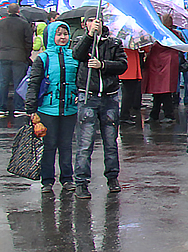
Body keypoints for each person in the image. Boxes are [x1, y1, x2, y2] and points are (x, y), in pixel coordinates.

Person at [71, 16, 128, 199]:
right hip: (88, 96)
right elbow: (77, 55)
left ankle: (112, 178)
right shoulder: (81, 40)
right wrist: (89, 36)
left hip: (109, 97)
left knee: (110, 143)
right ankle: (81, 182)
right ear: (84, 24)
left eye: (97, 20)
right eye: (90, 20)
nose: (95, 23)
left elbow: (122, 65)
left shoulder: (114, 43)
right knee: (85, 143)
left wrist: (103, 65)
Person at [24, 21, 79, 195]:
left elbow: (80, 80)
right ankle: (47, 180)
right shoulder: (43, 58)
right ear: (51, 36)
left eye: (65, 34)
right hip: (47, 110)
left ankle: (67, 178)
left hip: (69, 109)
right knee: (48, 145)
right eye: (59, 34)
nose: (62, 37)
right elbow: (33, 84)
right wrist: (31, 109)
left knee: (66, 145)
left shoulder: (74, 56)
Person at [0, 3, 34, 118]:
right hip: (19, 56)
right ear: (18, 11)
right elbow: (29, 42)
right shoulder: (24, 24)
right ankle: (18, 107)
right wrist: (26, 55)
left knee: (3, 83)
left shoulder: (0, 24)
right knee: (19, 83)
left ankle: (2, 108)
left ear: (8, 11)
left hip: (3, 56)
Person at [143, 15, 182, 124]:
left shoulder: (159, 34)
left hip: (159, 65)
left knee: (161, 92)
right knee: (162, 92)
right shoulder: (174, 34)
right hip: (164, 65)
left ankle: (161, 114)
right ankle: (160, 114)